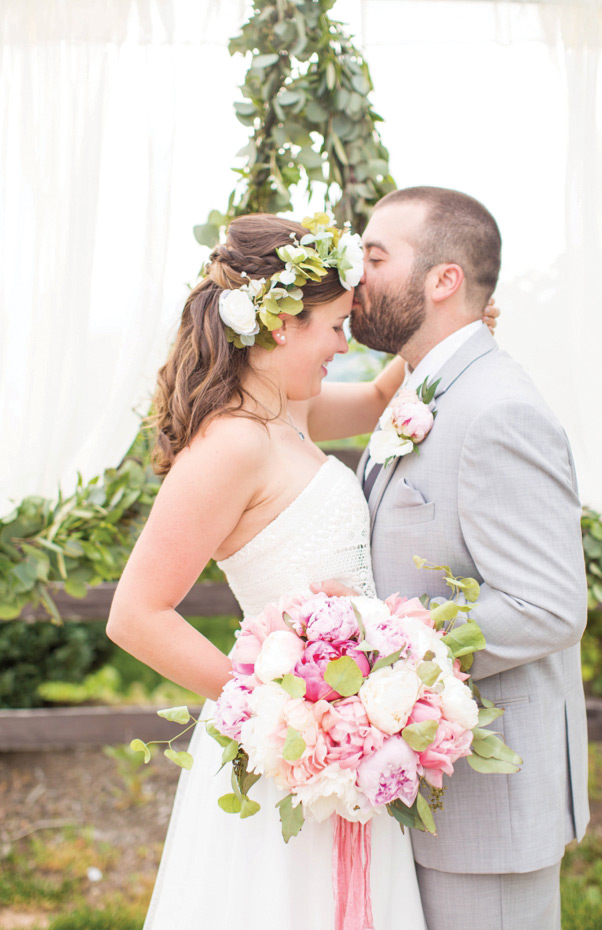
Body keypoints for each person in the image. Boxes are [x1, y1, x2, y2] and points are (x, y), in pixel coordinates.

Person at [107, 212, 431, 929]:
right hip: (290, 742)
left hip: (342, 741)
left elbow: (379, 400)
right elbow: (135, 614)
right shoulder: (231, 446)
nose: (341, 346)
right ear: (283, 323)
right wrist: (284, 712)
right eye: (335, 327)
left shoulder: (292, 415)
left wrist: (443, 323)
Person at [321, 186, 589, 930]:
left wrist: (381, 665)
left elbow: (548, 605)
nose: (357, 276)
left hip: (488, 814)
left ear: (443, 280)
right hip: (428, 792)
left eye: (375, 257)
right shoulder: (429, 386)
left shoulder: (497, 409)